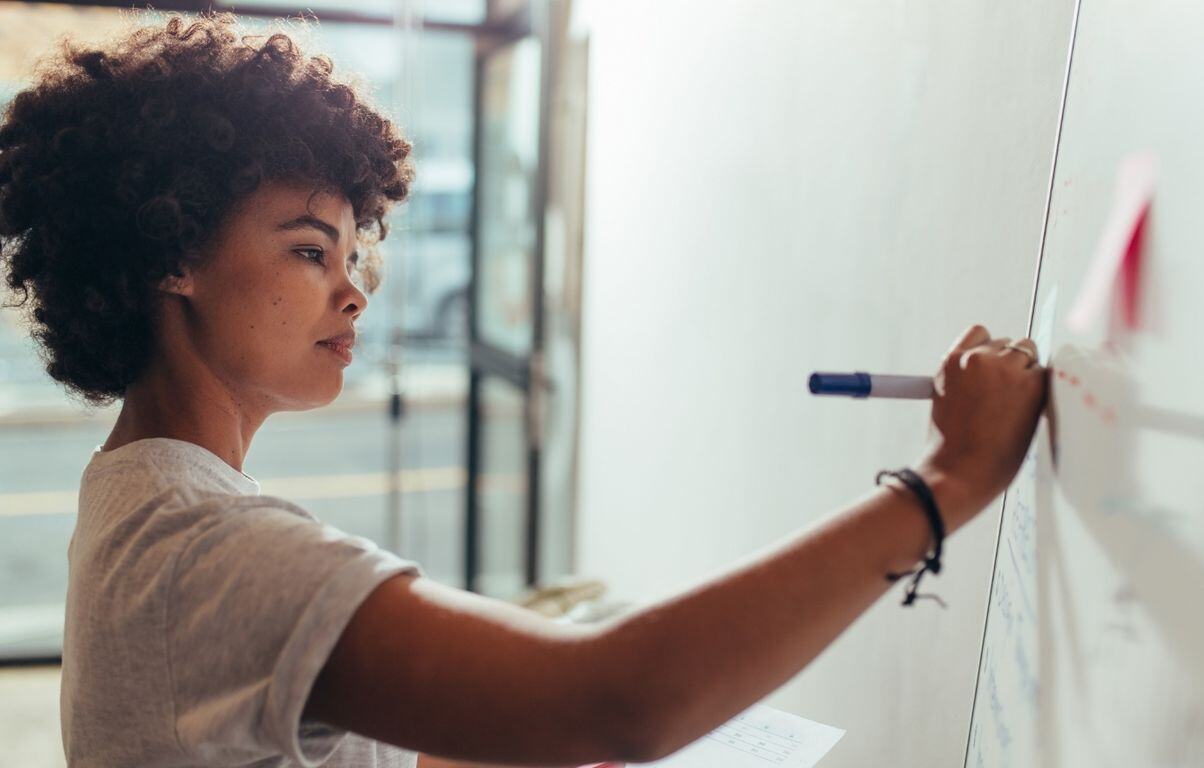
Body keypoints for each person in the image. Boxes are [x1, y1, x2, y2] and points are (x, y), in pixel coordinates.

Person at [0, 13, 1048, 768]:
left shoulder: (137, 500)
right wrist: (948, 478)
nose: (354, 292)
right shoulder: (206, 549)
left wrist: (508, 740)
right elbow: (618, 701)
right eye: (311, 251)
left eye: (353, 252)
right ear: (171, 253)